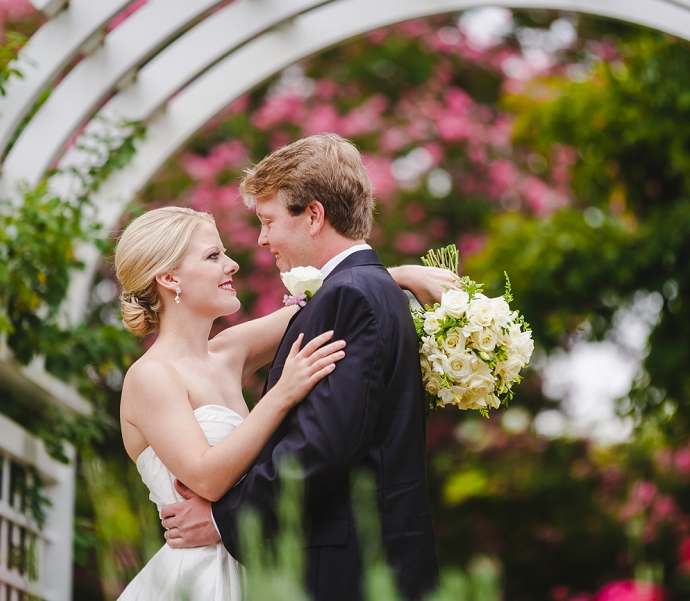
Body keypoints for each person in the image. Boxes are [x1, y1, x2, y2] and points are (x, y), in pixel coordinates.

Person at [114, 202, 453, 601]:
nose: (232, 265)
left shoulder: (227, 352)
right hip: (201, 575)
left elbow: (329, 301)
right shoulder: (151, 376)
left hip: (261, 564)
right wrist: (281, 395)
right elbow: (205, 477)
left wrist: (401, 275)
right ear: (170, 277)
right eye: (213, 256)